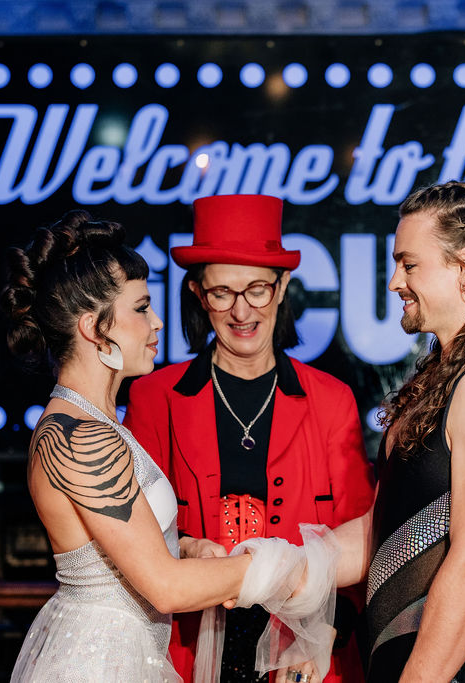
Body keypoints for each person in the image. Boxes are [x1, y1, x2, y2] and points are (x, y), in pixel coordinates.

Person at [0, 210, 332, 682]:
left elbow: (133, 555)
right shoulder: (77, 436)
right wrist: (279, 566)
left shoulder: (95, 423)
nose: (157, 322)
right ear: (95, 329)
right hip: (100, 662)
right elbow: (165, 588)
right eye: (140, 308)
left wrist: (190, 550)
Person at [123, 194, 375, 683]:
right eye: (222, 292)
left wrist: (321, 635)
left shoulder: (332, 400)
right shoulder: (154, 398)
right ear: (198, 294)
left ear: (282, 289)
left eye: (257, 289)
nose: (241, 311)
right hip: (188, 652)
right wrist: (186, 548)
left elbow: (361, 542)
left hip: (305, 658)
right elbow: (132, 539)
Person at [331, 181, 465, 681]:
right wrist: (269, 567)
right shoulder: (452, 375)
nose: (394, 282)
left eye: (409, 264)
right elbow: (389, 528)